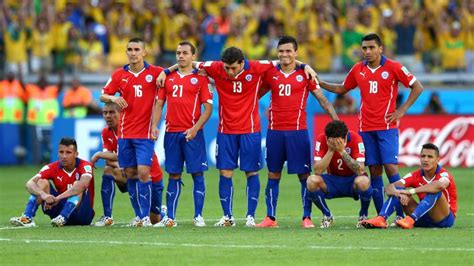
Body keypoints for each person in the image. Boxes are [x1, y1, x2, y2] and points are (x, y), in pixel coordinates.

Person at [157, 46, 317, 227]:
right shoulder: (216, 67)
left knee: (251, 172)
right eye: (227, 68)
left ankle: (250, 216)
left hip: (250, 130)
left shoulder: (257, 67)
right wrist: (165, 70)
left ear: (242, 63)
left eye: (234, 68)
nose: (230, 72)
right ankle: (228, 216)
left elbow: (285, 60)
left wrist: (305, 66)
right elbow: (187, 62)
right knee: (225, 172)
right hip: (226, 131)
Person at [317, 33, 423, 224]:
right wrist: (321, 83)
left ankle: (399, 213)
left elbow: (417, 87)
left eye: (371, 47)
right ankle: (380, 215)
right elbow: (342, 88)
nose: (367, 51)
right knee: (374, 171)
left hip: (387, 127)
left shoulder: (394, 66)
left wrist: (402, 110)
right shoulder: (358, 69)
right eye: (364, 48)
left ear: (380, 48)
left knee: (391, 168)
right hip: (365, 128)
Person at [255, 36, 339, 228]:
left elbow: (323, 100)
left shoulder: (305, 75)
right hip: (274, 132)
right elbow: (254, 96)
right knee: (273, 175)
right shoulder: (270, 73)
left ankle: (306, 217)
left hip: (297, 132)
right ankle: (270, 218)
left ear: (296, 53)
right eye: (281, 51)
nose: (284, 54)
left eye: (288, 51)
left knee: (304, 176)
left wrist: (338, 124)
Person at [100, 37, 164, 227]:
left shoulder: (156, 72)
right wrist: (113, 97)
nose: (133, 53)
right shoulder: (119, 74)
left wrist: (167, 72)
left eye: (137, 49)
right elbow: (103, 95)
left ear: (144, 52)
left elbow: (174, 72)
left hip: (144, 133)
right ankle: (139, 215)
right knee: (130, 173)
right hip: (125, 132)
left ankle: (146, 215)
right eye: (130, 49)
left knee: (144, 172)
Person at [151, 41, 212, 227]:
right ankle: (170, 218)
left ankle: (198, 216)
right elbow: (159, 104)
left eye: (185, 53)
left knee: (197, 174)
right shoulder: (167, 78)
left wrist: (195, 129)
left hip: (192, 134)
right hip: (171, 133)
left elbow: (208, 108)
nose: (180, 56)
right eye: (178, 53)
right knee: (173, 175)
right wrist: (154, 125)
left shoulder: (201, 78)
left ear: (193, 56)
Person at [91, 102, 165, 226]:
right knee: (109, 170)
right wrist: (121, 165)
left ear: (122, 114)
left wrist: (98, 155)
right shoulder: (106, 132)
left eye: (112, 112)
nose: (108, 116)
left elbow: (122, 156)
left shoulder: (130, 130)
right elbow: (109, 158)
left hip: (151, 176)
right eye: (105, 113)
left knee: (155, 220)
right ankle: (109, 217)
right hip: (129, 173)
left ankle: (162, 212)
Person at [362, 143, 457, 229]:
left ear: (438, 160)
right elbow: (389, 188)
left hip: (444, 219)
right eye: (423, 156)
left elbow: (440, 185)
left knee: (435, 190)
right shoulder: (415, 175)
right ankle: (381, 218)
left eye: (430, 157)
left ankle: (410, 220)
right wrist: (399, 193)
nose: (425, 160)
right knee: (399, 189)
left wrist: (411, 191)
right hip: (422, 217)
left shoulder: (444, 174)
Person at [10, 138, 95, 227]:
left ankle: (63, 216)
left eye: (68, 152)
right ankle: (27, 217)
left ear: (76, 154)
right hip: (57, 212)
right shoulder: (51, 167)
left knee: (77, 185)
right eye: (61, 152)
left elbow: (83, 185)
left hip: (82, 215)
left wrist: (57, 198)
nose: (64, 156)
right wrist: (43, 194)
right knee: (41, 182)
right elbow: (29, 183)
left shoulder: (85, 165)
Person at [306, 120, 372, 228]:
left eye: (339, 141)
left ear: (345, 137)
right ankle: (327, 215)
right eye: (332, 140)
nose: (336, 143)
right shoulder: (322, 139)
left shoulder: (356, 138)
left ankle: (363, 216)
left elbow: (360, 170)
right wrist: (331, 151)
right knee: (311, 181)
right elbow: (317, 171)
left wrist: (342, 151)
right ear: (328, 138)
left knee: (364, 181)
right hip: (332, 180)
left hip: (352, 180)